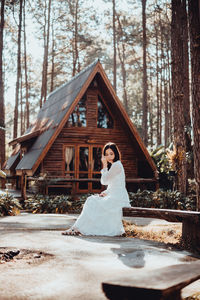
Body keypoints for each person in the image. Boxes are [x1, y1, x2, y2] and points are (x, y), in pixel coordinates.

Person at [62, 142, 131, 236]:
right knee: (91, 201)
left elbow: (104, 181)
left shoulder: (117, 165)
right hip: (115, 195)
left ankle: (77, 228)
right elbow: (115, 184)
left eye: (111, 154)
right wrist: (106, 192)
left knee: (91, 201)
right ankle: (77, 228)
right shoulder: (115, 165)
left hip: (118, 198)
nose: (109, 157)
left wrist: (104, 165)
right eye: (106, 154)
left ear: (116, 153)